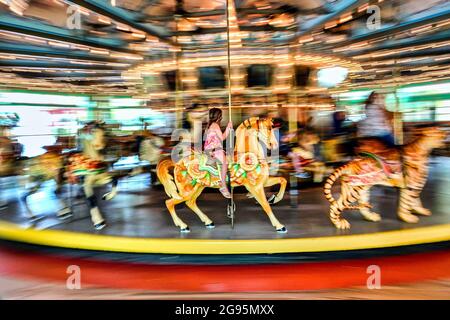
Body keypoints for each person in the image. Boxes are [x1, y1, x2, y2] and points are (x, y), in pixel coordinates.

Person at [204, 108, 233, 198]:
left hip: (211, 148)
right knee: (225, 163)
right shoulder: (215, 125)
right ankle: (223, 185)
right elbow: (222, 138)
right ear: (219, 116)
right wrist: (228, 128)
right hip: (213, 149)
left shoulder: (210, 125)